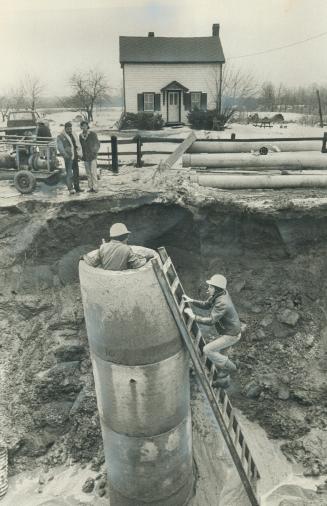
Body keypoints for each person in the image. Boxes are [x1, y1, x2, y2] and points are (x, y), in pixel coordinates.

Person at [183, 274, 241, 374]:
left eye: (211, 287)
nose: (208, 288)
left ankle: (233, 369)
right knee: (220, 357)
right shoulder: (220, 294)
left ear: (216, 289)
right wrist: (191, 300)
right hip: (230, 330)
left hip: (231, 334)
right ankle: (225, 370)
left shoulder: (222, 303)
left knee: (207, 350)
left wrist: (193, 317)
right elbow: (207, 305)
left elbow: (211, 321)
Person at [82, 223, 155, 270]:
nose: (127, 238)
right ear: (124, 237)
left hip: (107, 277)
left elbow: (92, 262)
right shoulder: (126, 249)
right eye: (127, 236)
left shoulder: (103, 247)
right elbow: (137, 264)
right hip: (120, 278)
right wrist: (146, 258)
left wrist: (84, 257)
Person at [57, 122, 83, 195]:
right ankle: (70, 189)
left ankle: (77, 187)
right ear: (65, 128)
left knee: (76, 172)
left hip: (74, 156)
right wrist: (65, 155)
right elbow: (60, 147)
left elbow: (77, 145)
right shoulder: (61, 136)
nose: (69, 130)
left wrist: (78, 153)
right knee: (69, 173)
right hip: (68, 157)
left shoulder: (73, 135)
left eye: (70, 128)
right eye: (68, 128)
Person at [79, 120, 100, 193]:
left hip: (92, 156)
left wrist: (94, 152)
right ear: (81, 127)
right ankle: (90, 187)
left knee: (93, 172)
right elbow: (80, 147)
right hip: (85, 157)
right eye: (82, 126)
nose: (84, 127)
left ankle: (95, 188)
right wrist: (81, 155)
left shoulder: (92, 134)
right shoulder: (80, 136)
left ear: (87, 126)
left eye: (85, 125)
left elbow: (97, 144)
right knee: (88, 173)